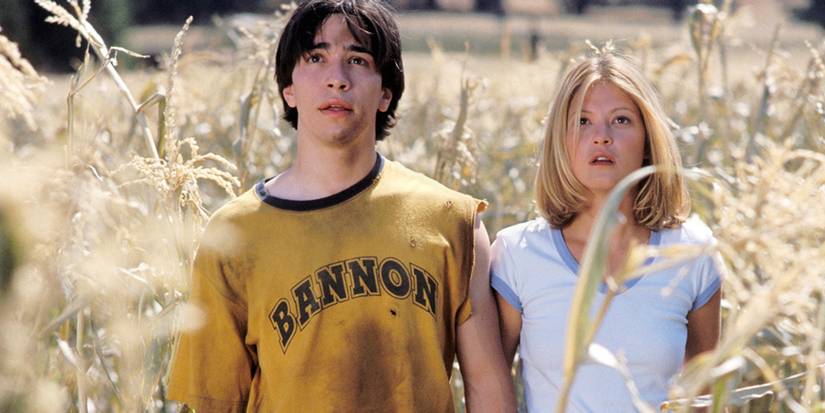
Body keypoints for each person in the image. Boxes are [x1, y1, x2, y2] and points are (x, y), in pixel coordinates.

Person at [166, 0, 515, 411]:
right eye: (316, 57)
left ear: (386, 92)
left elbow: (489, 391)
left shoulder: (452, 220)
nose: (337, 78)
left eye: (358, 59)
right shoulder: (234, 234)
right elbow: (215, 401)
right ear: (288, 88)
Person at [492, 45, 722, 412]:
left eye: (621, 120)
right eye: (582, 121)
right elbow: (491, 390)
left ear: (648, 141)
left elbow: (707, 399)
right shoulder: (516, 253)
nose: (601, 136)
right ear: (561, 142)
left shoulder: (693, 251)